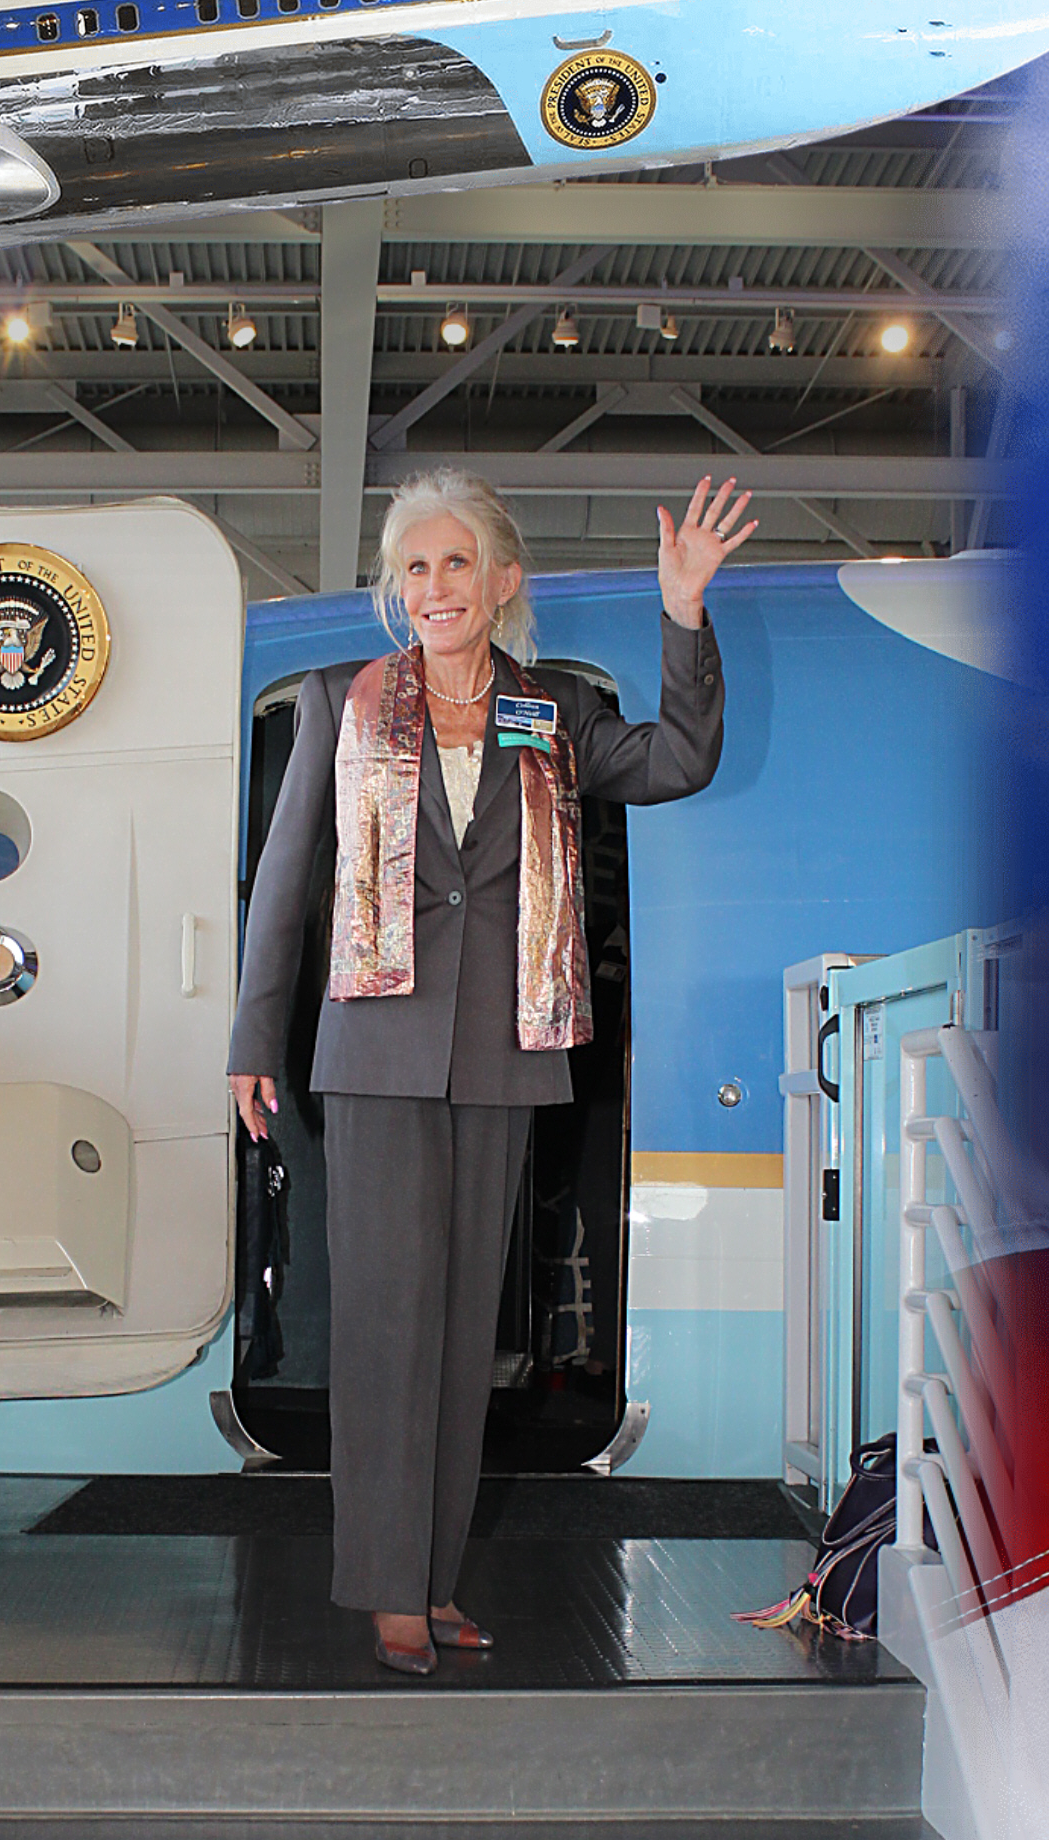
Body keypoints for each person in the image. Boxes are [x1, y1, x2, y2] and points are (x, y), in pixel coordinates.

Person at [227, 467, 753, 1674]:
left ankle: (437, 1575)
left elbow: (679, 759)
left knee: (467, 1340)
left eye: (458, 562)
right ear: (395, 592)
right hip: (377, 1053)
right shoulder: (339, 701)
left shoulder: (550, 711)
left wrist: (684, 615)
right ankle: (382, 1588)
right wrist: (256, 1039)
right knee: (384, 1330)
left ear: (503, 581)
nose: (435, 586)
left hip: (504, 1053)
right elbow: (286, 878)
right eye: (414, 566)